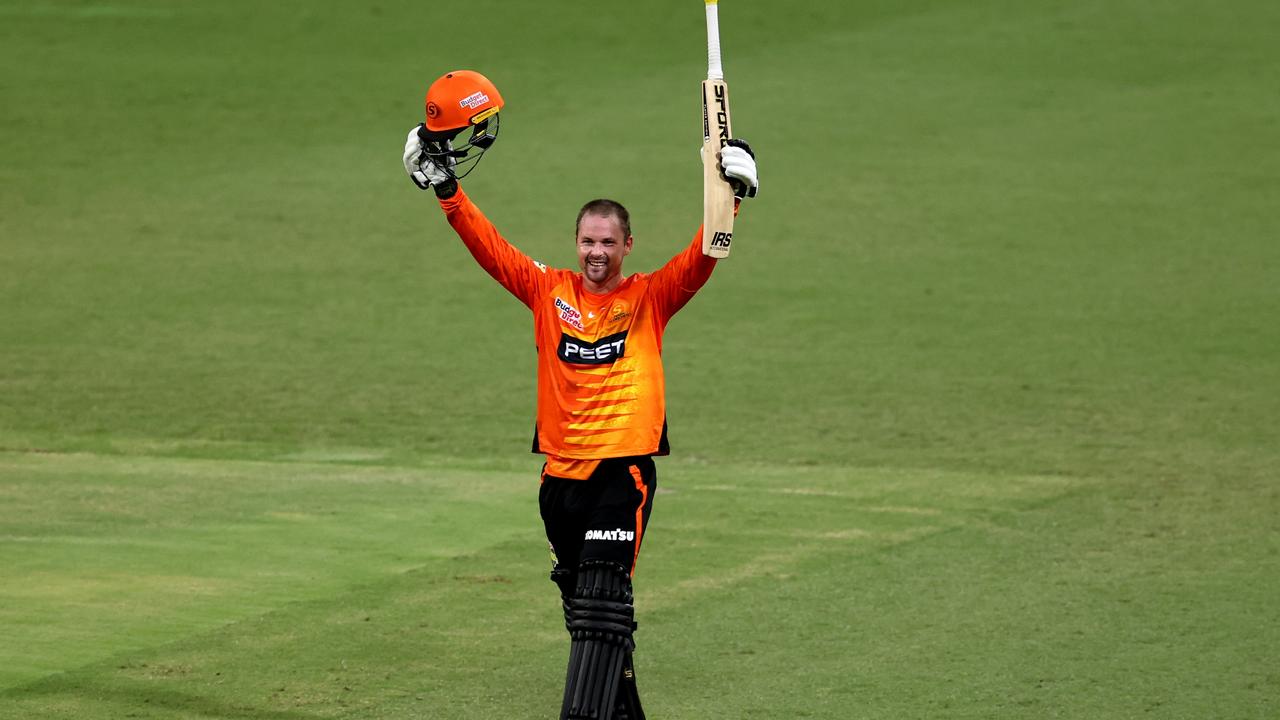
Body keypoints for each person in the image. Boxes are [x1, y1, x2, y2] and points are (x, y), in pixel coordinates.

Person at [402, 70, 759, 720]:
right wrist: (448, 191)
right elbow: (492, 250)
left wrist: (733, 192)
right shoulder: (549, 292)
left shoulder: (649, 298)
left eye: (608, 243)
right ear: (577, 244)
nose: (597, 253)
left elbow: (708, 252)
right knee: (591, 615)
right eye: (587, 242)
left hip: (621, 473)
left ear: (628, 246)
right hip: (558, 480)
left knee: (601, 597)